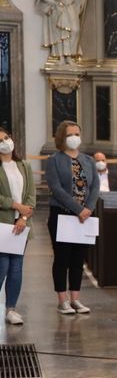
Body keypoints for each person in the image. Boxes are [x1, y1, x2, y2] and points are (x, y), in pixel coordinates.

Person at [45, 121, 97, 315]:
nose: (74, 137)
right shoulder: (54, 160)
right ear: (61, 138)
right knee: (62, 258)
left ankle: (76, 298)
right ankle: (62, 300)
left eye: (77, 133)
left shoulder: (88, 160)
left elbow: (95, 187)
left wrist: (88, 208)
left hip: (84, 217)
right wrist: (77, 208)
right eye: (70, 135)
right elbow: (56, 188)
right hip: (62, 215)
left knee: (78, 260)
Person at [0, 127, 35, 325]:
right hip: (2, 223)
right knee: (2, 267)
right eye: (1, 140)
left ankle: (11, 309)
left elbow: (31, 194)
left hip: (21, 224)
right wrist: (14, 205)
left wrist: (23, 216)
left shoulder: (23, 165)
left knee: (16, 268)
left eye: (7, 138)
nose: (6, 142)